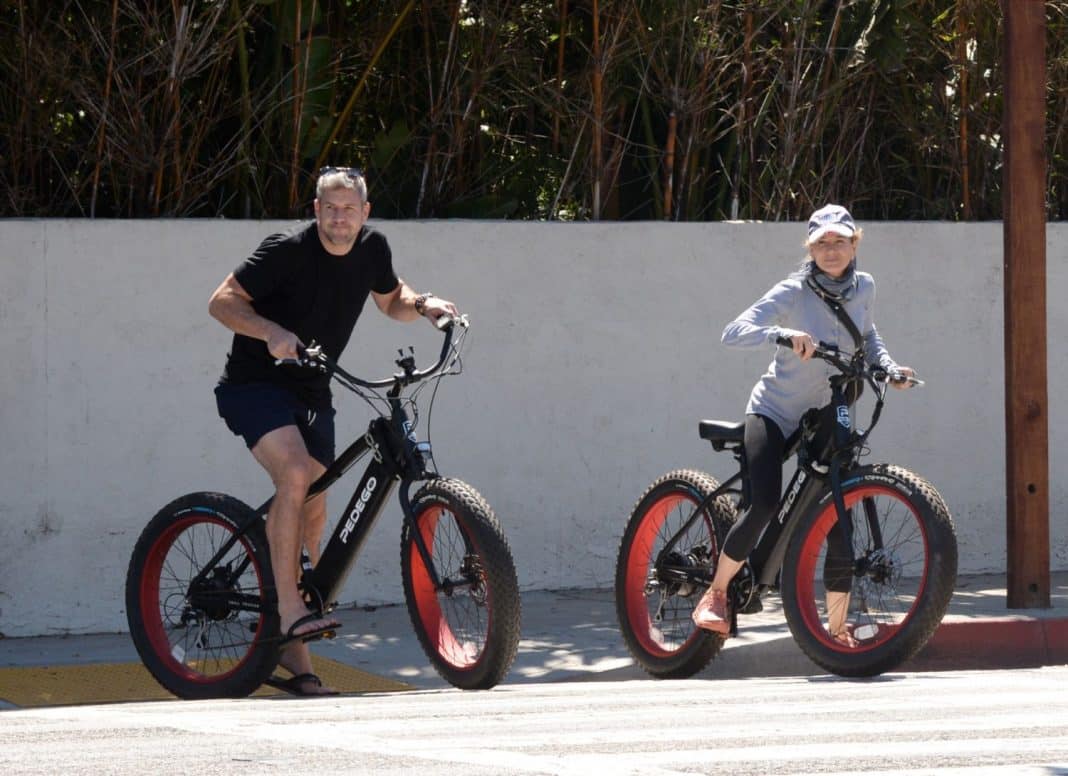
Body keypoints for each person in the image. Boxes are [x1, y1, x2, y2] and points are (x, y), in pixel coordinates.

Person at [208, 167, 457, 695]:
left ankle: (296, 658)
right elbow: (222, 301)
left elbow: (391, 299)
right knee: (296, 474)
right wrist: (271, 331)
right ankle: (288, 611)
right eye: (330, 207)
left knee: (312, 506)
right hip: (255, 384)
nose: (339, 217)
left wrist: (423, 305)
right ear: (316, 210)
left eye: (349, 208)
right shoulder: (286, 251)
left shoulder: (372, 249)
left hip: (313, 390)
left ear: (365, 213)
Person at [691, 203, 914, 645]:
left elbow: (867, 335)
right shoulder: (793, 291)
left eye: (840, 241)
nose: (832, 250)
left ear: (855, 243)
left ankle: (836, 630)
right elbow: (733, 331)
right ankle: (716, 594)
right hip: (775, 410)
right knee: (765, 502)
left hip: (831, 410)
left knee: (839, 516)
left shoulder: (864, 287)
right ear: (810, 248)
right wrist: (783, 335)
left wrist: (887, 367)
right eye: (822, 243)